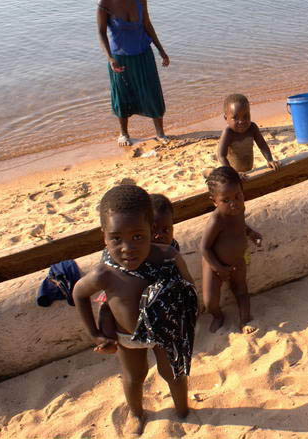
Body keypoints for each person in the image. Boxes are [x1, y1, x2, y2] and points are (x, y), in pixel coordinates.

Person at [72, 185, 198, 435]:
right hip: (127, 337)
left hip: (165, 332)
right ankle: (136, 413)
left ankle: (183, 409)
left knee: (173, 372)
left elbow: (189, 287)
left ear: (151, 230)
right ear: (104, 235)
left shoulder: (167, 257)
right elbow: (79, 293)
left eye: (138, 237)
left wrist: (186, 318)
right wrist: (95, 334)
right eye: (116, 239)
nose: (127, 247)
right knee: (134, 376)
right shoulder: (104, 273)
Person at [94, 192, 181, 350]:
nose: (159, 236)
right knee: (106, 310)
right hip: (125, 319)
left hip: (158, 322)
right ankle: (108, 341)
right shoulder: (129, 254)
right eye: (154, 230)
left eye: (166, 230)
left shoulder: (171, 249)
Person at [97, 0, 170, 147]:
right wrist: (110, 58)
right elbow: (101, 32)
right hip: (119, 58)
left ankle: (160, 133)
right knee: (122, 94)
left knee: (152, 91)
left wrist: (161, 50)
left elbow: (147, 25)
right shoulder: (105, 2)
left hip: (143, 53)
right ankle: (124, 134)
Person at [200, 166, 262, 333]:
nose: (233, 203)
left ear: (242, 191)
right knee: (210, 301)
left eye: (237, 196)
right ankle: (218, 316)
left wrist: (251, 233)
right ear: (214, 201)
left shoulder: (240, 208)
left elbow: (241, 225)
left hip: (237, 260)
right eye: (226, 200)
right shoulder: (217, 220)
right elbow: (204, 248)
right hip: (215, 264)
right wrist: (218, 268)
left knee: (241, 290)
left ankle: (245, 319)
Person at [217, 94, 280, 175]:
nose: (241, 121)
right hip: (232, 171)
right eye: (235, 118)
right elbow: (221, 156)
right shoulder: (228, 133)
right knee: (219, 174)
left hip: (248, 169)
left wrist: (270, 160)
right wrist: (233, 173)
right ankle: (208, 172)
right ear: (226, 118)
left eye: (246, 116)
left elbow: (262, 145)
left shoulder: (252, 128)